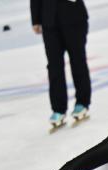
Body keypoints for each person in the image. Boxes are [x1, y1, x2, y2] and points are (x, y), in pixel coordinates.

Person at [31, 0, 91, 128]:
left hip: (74, 18)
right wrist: (35, 19)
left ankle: (82, 102)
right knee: (54, 66)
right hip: (49, 22)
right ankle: (58, 109)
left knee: (78, 61)